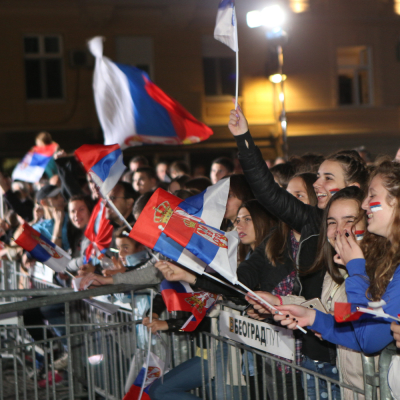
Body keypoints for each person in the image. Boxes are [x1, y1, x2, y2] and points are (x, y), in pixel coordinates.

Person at [227, 105, 368, 395]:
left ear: (352, 188)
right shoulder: (311, 221)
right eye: (318, 176)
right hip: (314, 351)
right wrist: (243, 137)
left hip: (351, 361)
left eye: (328, 178)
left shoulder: (374, 243)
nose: (317, 183)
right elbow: (268, 193)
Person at [270, 158, 400, 356]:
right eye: (331, 222)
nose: (365, 205)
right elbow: (364, 334)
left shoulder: (368, 264)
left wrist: (356, 267)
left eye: (372, 196)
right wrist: (313, 317)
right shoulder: (386, 261)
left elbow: (369, 339)